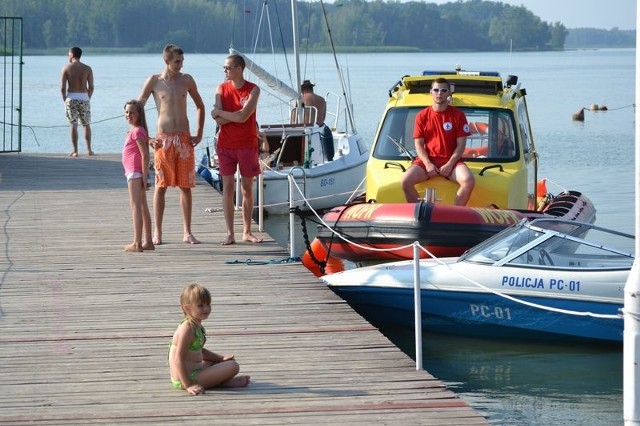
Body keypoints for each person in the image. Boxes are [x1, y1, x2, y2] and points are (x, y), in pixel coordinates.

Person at [138, 44, 205, 245]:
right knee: (161, 186)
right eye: (177, 61)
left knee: (185, 186)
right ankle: (157, 232)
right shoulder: (154, 81)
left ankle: (187, 232)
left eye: (182, 61)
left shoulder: (187, 80)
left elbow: (200, 106)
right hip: (163, 138)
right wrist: (148, 137)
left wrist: (199, 133)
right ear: (166, 61)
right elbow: (138, 108)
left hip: (184, 139)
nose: (180, 65)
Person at [211, 54, 263, 245]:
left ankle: (247, 231)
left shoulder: (253, 90)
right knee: (228, 188)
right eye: (224, 68)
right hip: (225, 145)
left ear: (239, 69)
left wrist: (222, 114)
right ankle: (230, 233)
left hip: (247, 145)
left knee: (247, 188)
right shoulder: (221, 89)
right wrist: (230, 115)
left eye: (228, 68)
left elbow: (242, 117)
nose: (225, 71)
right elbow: (217, 119)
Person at [401, 77, 475, 205]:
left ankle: (455, 216)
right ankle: (417, 214)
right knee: (405, 181)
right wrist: (428, 164)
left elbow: (461, 145)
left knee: (468, 181)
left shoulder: (458, 115)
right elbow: (418, 145)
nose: (439, 93)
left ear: (448, 93)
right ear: (431, 92)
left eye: (443, 90)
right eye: (436, 90)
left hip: (451, 161)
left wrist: (450, 164)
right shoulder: (422, 115)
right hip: (427, 161)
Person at [169, 284, 250, 394]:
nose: (206, 308)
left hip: (194, 371)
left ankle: (221, 382)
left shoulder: (195, 325)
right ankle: (222, 383)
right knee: (233, 366)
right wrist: (189, 385)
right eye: (200, 306)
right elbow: (178, 359)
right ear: (187, 308)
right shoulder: (187, 329)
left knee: (217, 362)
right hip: (185, 378)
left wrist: (221, 358)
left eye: (208, 304)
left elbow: (200, 351)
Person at [122, 100, 153, 253]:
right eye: (127, 112)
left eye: (132, 112)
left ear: (139, 114)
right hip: (134, 172)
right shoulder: (135, 130)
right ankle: (148, 241)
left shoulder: (137, 131)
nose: (129, 115)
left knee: (135, 206)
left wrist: (145, 177)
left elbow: (145, 156)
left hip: (135, 172)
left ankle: (137, 243)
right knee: (142, 206)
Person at [60, 46, 94, 157]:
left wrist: (65, 99)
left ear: (72, 55)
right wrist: (87, 97)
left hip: (71, 98)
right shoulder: (87, 68)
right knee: (86, 124)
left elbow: (62, 88)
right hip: (84, 97)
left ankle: (75, 151)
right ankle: (89, 150)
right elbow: (91, 87)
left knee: (73, 124)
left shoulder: (66, 68)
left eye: (68, 54)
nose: (68, 56)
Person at [297, 80, 334, 161]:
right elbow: (324, 116)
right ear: (311, 88)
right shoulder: (322, 99)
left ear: (302, 89)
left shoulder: (300, 99)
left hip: (306, 130)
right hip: (320, 129)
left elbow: (294, 119)